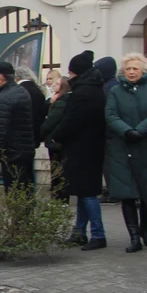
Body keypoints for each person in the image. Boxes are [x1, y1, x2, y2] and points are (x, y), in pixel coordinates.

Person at [105, 53, 147, 253]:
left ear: (143, 70)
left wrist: (140, 130)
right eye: (128, 69)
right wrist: (126, 130)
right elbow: (110, 114)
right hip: (123, 147)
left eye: (135, 68)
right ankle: (133, 236)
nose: (131, 72)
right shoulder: (115, 91)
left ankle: (144, 230)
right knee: (127, 194)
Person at [49, 51, 107, 250]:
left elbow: (71, 121)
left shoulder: (82, 93)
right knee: (84, 192)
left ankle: (98, 234)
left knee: (88, 193)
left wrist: (55, 135)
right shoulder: (96, 89)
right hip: (93, 146)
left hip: (82, 148)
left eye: (71, 71)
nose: (69, 75)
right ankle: (79, 232)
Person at [0, 62, 36, 192]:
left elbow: (0, 130)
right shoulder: (22, 92)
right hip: (26, 149)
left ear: (1, 77)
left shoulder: (4, 98)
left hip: (12, 152)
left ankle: (19, 213)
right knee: (26, 189)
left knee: (14, 190)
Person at [40, 76, 70, 200]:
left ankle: (59, 197)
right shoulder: (57, 100)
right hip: (57, 141)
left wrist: (40, 134)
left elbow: (50, 122)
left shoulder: (62, 102)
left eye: (57, 83)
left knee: (58, 171)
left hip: (56, 141)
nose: (54, 85)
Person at [16, 67, 49, 150]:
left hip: (20, 137)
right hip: (36, 134)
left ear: (17, 78)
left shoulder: (19, 91)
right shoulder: (39, 91)